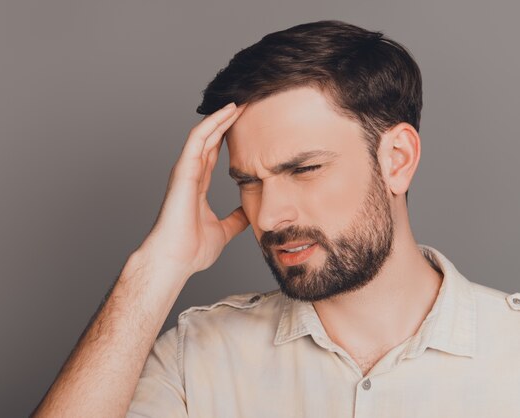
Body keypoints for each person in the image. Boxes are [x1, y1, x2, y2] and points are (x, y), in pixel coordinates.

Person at [32, 20, 520, 417]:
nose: (268, 215)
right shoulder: (197, 357)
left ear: (396, 158)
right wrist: (156, 267)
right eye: (247, 180)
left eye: (304, 169)